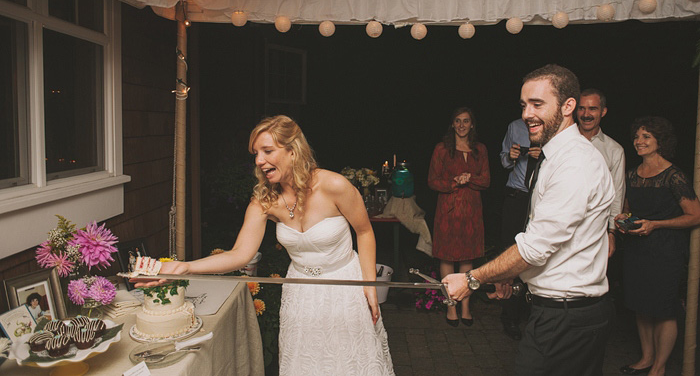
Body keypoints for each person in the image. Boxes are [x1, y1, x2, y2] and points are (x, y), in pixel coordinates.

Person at [135, 115, 394, 375]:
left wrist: (369, 285)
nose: (259, 161)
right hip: (301, 294)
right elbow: (240, 254)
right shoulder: (264, 201)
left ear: (293, 151)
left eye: (267, 151)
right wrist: (184, 267)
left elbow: (364, 232)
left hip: (345, 287)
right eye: (256, 154)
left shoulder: (334, 185)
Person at [443, 64, 615, 376]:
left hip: (567, 319)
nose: (527, 114)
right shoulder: (556, 156)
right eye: (524, 105)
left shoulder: (575, 163)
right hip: (562, 312)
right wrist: (511, 276)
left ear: (568, 106)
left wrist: (472, 279)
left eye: (537, 104)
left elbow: (535, 247)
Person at [614, 116, 700, 376]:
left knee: (663, 309)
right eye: (637, 136)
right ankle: (646, 358)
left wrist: (656, 224)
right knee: (641, 304)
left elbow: (695, 215)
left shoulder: (673, 175)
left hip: (665, 250)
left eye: (646, 137)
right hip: (637, 249)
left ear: (660, 141)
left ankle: (659, 368)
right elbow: (628, 209)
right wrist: (622, 219)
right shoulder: (632, 174)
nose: (639, 141)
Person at [428, 107, 490, 326]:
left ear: (472, 124)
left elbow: (486, 180)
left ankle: (465, 307)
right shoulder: (442, 149)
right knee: (447, 257)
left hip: (472, 212)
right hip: (448, 210)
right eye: (458, 121)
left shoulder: (479, 150)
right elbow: (433, 181)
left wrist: (469, 177)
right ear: (452, 124)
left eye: (466, 121)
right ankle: (451, 306)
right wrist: (455, 181)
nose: (462, 125)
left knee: (467, 259)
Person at [498, 118, 541, 340]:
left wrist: (542, 156)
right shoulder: (514, 126)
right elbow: (504, 160)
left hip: (540, 199)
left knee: (536, 254)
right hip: (516, 196)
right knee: (510, 253)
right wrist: (511, 157)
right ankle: (510, 316)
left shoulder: (553, 127)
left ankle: (535, 314)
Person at [577, 88, 625, 258]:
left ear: (603, 112)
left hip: (595, 230)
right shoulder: (561, 142)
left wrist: (612, 233)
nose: (586, 114)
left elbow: (617, 194)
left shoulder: (614, 150)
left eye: (593, 109)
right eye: (582, 108)